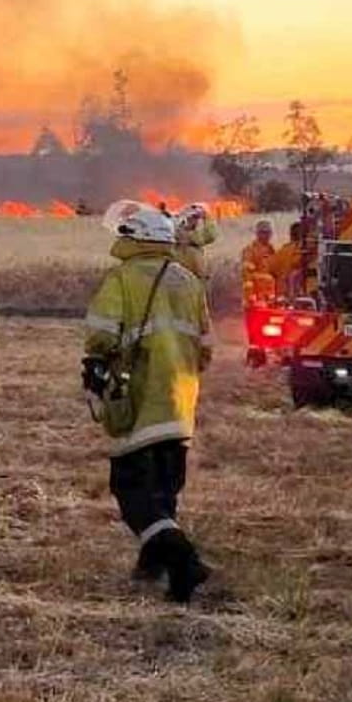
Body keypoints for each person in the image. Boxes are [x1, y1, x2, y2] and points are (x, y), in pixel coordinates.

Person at [82, 205, 214, 602]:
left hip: (140, 398)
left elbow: (102, 335)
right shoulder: (189, 281)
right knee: (164, 490)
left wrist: (97, 367)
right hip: (180, 404)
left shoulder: (122, 279)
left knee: (133, 492)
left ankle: (184, 562)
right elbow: (205, 349)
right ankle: (155, 567)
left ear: (135, 239)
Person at [174, 203, 219, 280]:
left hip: (197, 274)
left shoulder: (197, 234)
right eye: (192, 218)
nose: (193, 220)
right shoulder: (177, 232)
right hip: (180, 275)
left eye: (196, 218)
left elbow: (211, 235)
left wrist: (207, 217)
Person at [242, 219, 279, 301]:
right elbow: (247, 274)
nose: (267, 235)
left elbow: (276, 270)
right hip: (256, 296)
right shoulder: (250, 250)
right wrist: (251, 296)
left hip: (271, 295)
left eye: (269, 233)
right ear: (258, 233)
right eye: (264, 232)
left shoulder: (272, 250)